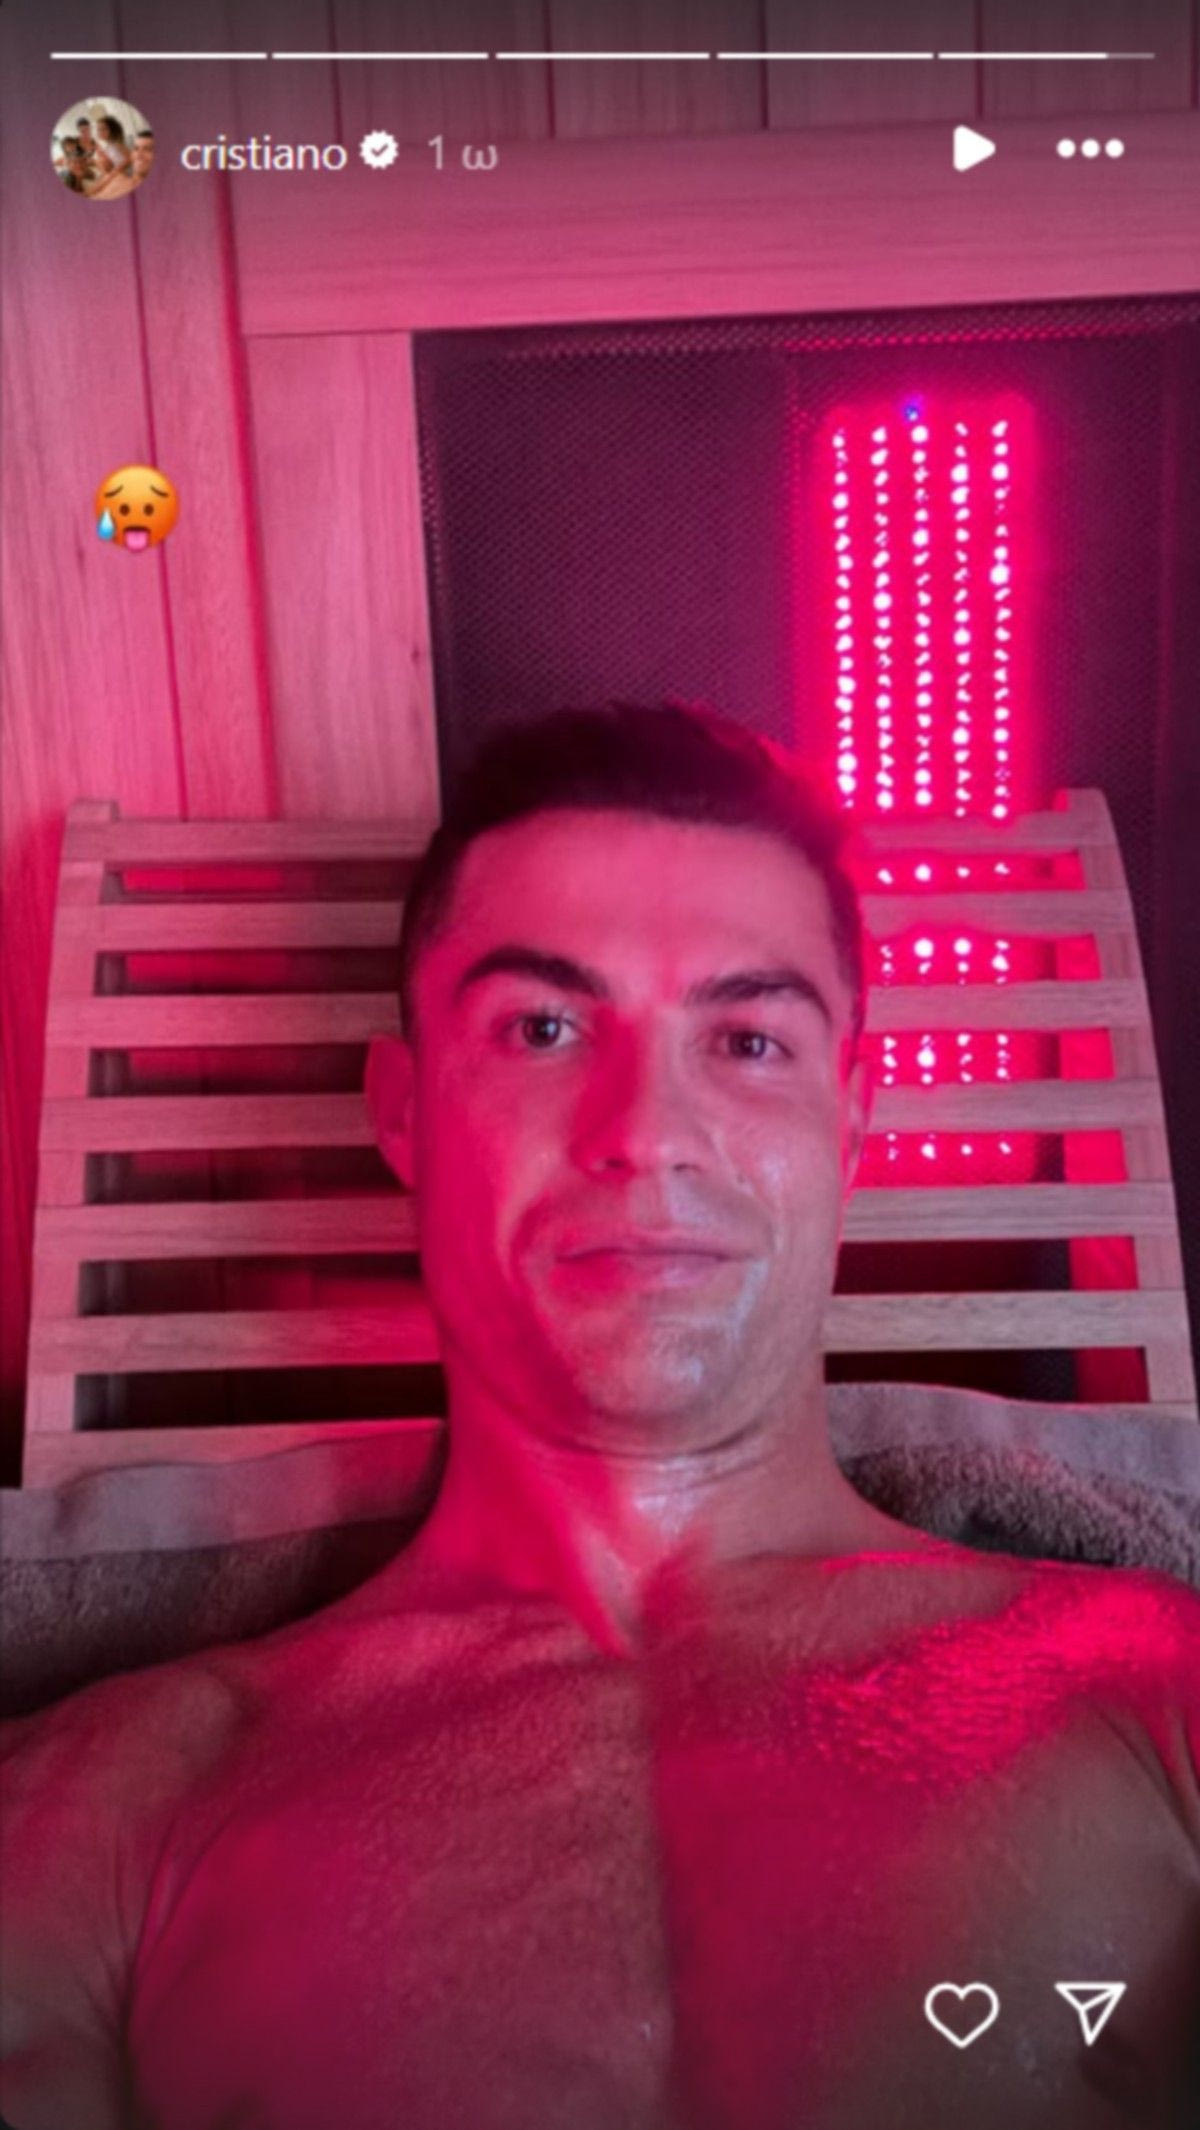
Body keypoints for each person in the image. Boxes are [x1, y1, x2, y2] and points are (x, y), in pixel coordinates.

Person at [2, 702, 1198, 2130]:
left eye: (747, 1039)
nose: (647, 1131)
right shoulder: (127, 1798)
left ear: (855, 1120)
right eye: (546, 1027)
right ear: (404, 1111)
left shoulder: (1157, 1699)